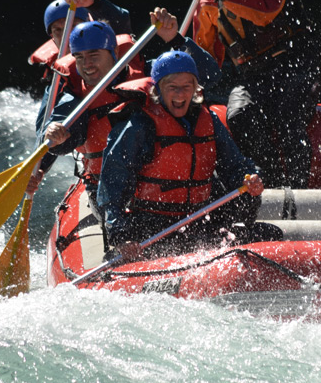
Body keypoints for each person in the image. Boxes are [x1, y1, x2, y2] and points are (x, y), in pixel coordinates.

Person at [96, 50, 283, 260]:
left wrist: (249, 178)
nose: (180, 94)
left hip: (201, 219)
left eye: (187, 86)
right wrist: (121, 236)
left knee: (270, 234)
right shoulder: (139, 125)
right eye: (172, 87)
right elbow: (113, 183)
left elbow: (235, 165)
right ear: (157, 89)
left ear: (196, 89)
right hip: (152, 227)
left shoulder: (208, 120)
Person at [192, 0, 321, 188]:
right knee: (238, 113)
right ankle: (269, 184)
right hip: (253, 77)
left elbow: (266, 11)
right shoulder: (205, 1)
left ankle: (299, 190)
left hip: (296, 67)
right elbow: (205, 56)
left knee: (287, 112)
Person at [39, 8, 182, 217]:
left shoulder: (149, 73)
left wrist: (176, 39)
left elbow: (208, 76)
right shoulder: (75, 94)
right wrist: (53, 133)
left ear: (114, 54)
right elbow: (61, 124)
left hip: (159, 182)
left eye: (94, 55)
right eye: (79, 57)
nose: (86, 65)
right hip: (106, 190)